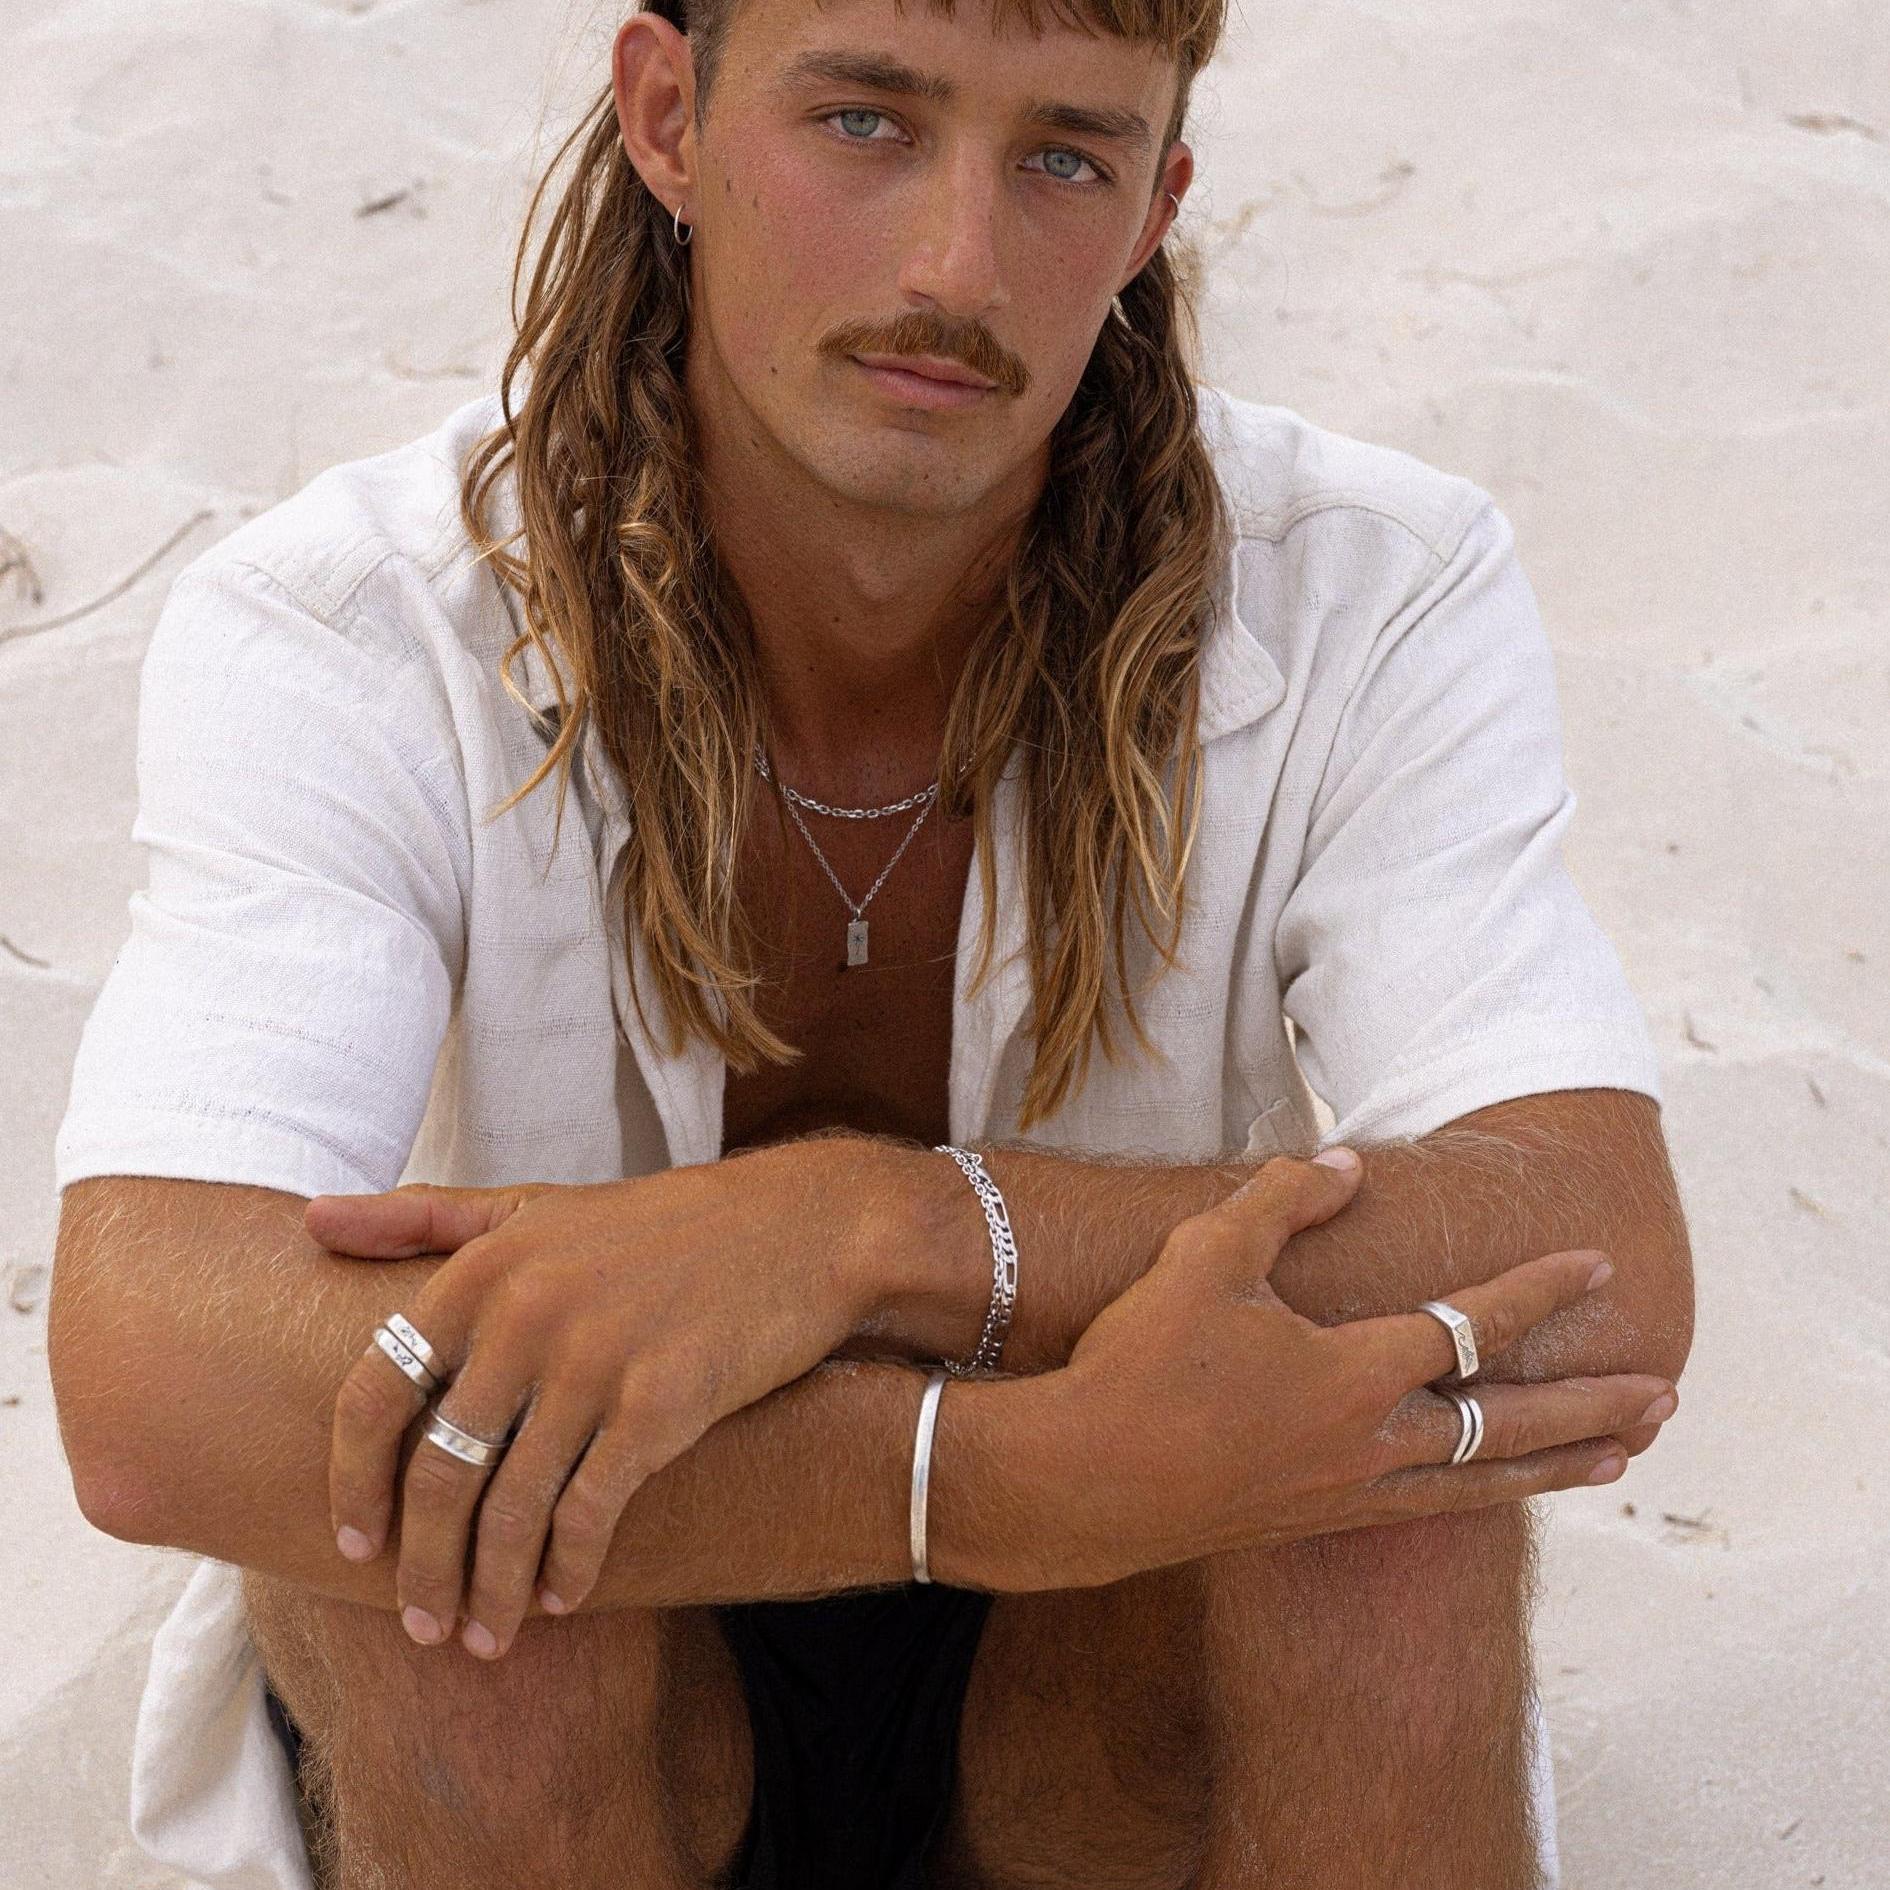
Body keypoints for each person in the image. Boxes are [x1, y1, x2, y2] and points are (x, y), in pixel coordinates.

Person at [45, 0, 1694, 1884]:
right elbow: (154, 1372)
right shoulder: (355, 627)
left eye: (1063, 157)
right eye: (863, 123)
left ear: (1156, 206)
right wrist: (969, 1482)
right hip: (611, 1657)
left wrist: (873, 1230)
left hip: (1111, 1680)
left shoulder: (1368, 587)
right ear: (669, 115)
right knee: (467, 1567)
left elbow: (1596, 1255)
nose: (955, 266)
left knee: (1385, 1492)